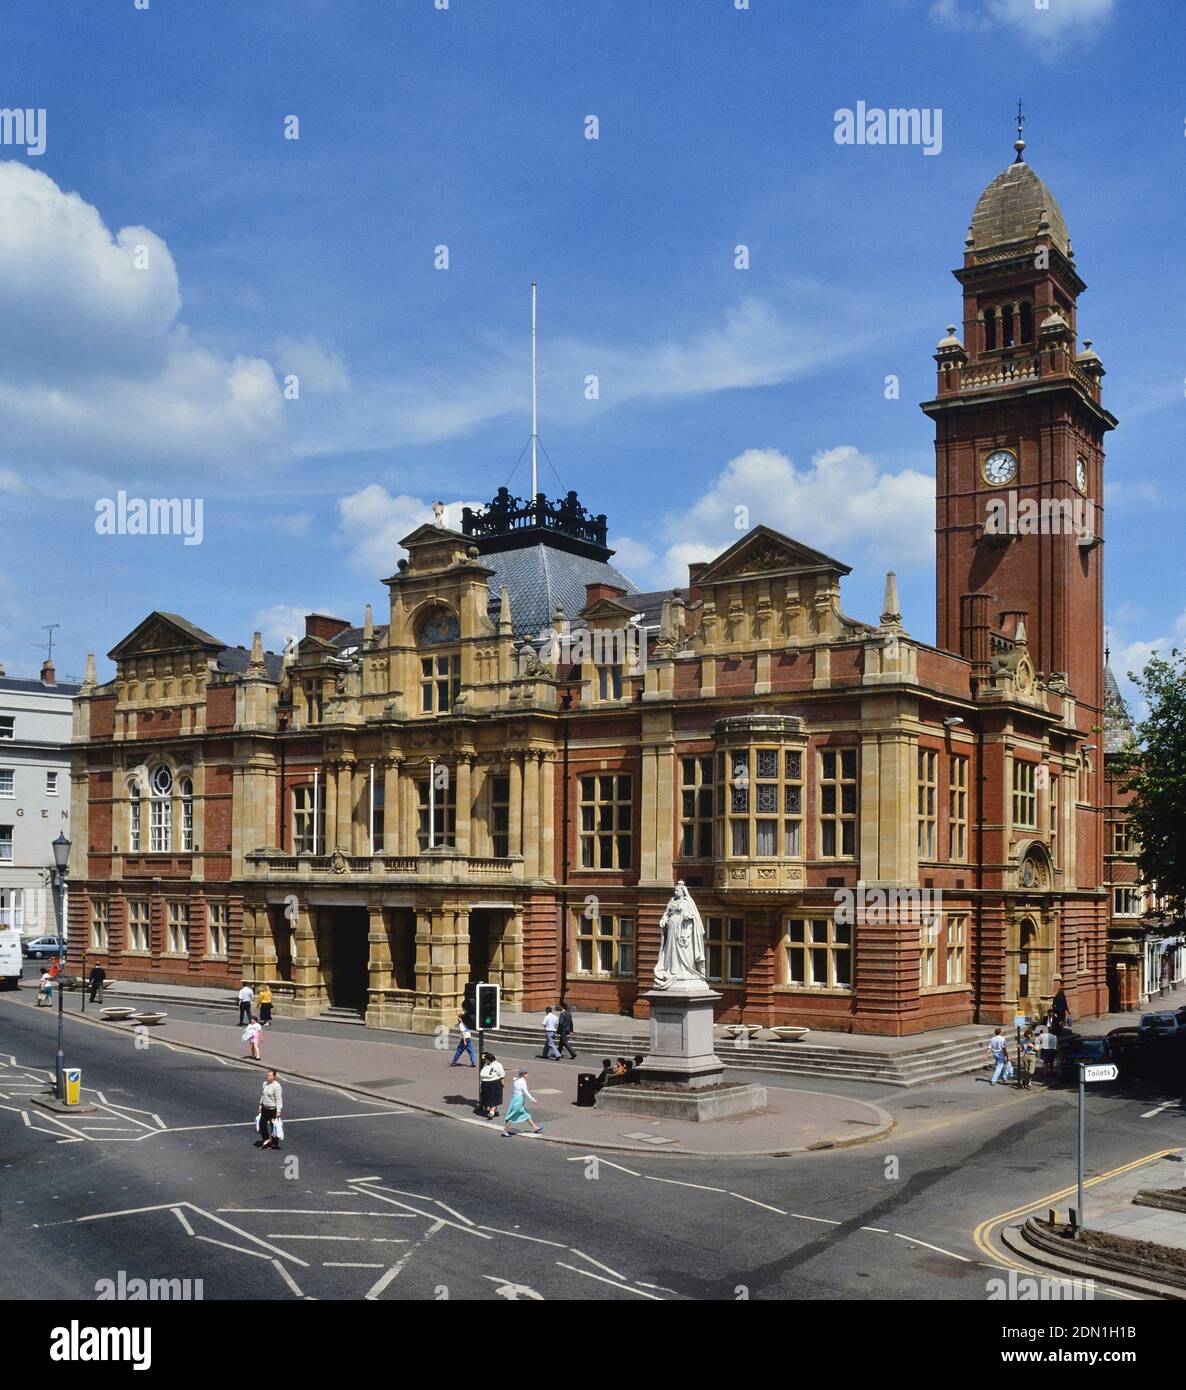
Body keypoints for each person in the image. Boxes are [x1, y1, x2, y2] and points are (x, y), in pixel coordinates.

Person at [502, 1068, 543, 1136]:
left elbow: (513, 1090)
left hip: (515, 1098)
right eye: (526, 1073)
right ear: (523, 1074)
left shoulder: (516, 1080)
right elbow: (525, 1092)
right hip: (518, 1099)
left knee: (525, 1113)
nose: (527, 1075)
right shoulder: (522, 1081)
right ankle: (505, 1131)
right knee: (512, 1114)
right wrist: (533, 1100)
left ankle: (535, 1127)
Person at [256, 1070, 283, 1150]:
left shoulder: (277, 1086)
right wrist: (260, 1105)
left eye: (270, 1075)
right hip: (265, 1108)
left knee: (273, 1127)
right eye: (267, 1075)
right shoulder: (265, 1084)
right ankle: (267, 1140)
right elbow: (263, 1095)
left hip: (272, 1110)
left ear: (274, 1077)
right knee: (262, 1124)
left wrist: (278, 1110)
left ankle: (274, 1144)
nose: (268, 1077)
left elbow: (278, 1099)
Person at [479, 1052, 505, 1119]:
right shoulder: (486, 1064)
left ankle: (492, 1112)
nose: (484, 1060)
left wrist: (502, 1082)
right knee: (490, 1098)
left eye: (485, 1059)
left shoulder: (497, 1064)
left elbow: (501, 1074)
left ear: (488, 1059)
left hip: (494, 1082)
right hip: (486, 1083)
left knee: (494, 1098)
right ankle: (492, 1112)